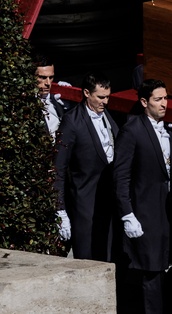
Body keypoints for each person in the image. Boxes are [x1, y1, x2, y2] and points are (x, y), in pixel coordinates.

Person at [113, 79, 172, 313]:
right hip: (144, 214)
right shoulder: (132, 130)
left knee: (163, 270)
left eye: (165, 98)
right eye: (158, 99)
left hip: (166, 214)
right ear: (144, 102)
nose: (164, 104)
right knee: (150, 273)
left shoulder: (169, 132)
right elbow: (121, 176)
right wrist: (127, 214)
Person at [54, 71, 118, 261]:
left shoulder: (108, 116)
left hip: (109, 201)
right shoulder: (72, 122)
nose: (105, 102)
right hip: (85, 204)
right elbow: (59, 167)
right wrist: (60, 209)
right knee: (87, 258)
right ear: (87, 93)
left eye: (107, 97)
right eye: (101, 97)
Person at [33, 53, 71, 142]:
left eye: (51, 77)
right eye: (42, 77)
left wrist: (70, 104)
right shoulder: (25, 103)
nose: (48, 83)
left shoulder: (57, 100)